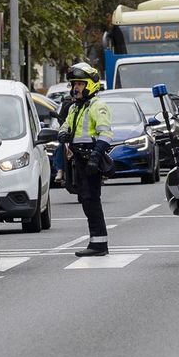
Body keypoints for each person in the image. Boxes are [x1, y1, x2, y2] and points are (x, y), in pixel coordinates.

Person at [59, 62, 113, 257]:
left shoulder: (98, 106)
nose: (76, 88)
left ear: (90, 84)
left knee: (91, 200)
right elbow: (65, 126)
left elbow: (106, 134)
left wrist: (95, 158)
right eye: (74, 84)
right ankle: (97, 242)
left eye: (80, 84)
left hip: (92, 156)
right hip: (78, 159)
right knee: (86, 200)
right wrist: (62, 134)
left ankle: (99, 244)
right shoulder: (75, 107)